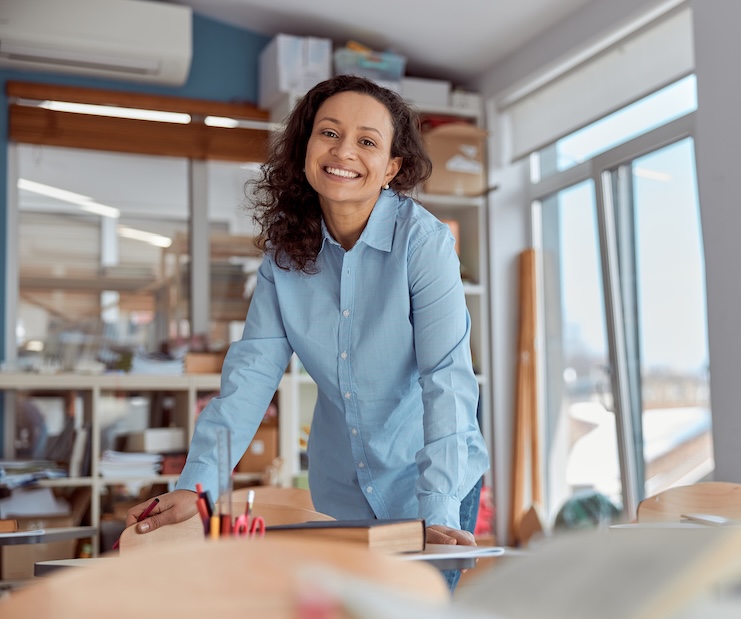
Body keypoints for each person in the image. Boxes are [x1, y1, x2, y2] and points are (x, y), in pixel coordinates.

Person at [124, 75, 490, 591]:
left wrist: (438, 512)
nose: (344, 151)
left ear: (391, 167)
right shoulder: (285, 256)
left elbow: (446, 380)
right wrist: (198, 486)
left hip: (431, 486)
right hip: (341, 487)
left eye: (367, 141)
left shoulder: (422, 245)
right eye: (329, 133)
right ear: (304, 149)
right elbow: (251, 375)